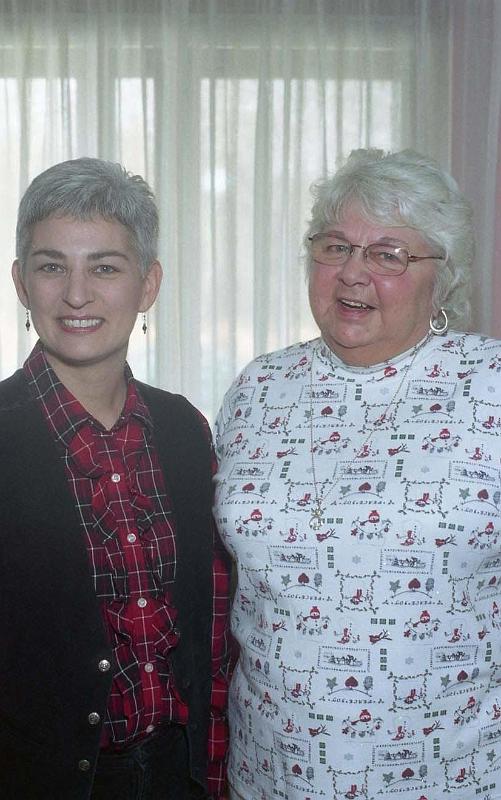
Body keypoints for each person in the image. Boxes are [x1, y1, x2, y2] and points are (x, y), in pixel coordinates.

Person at [214, 149, 501, 800]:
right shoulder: (258, 388)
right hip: (269, 776)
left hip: (453, 781)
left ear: (442, 275)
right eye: (334, 246)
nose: (352, 273)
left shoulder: (491, 386)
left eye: (388, 254)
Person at [0, 157, 232, 800]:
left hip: (176, 774)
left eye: (105, 267)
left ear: (148, 284)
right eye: (52, 267)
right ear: (21, 282)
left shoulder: (184, 429)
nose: (77, 295)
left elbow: (210, 625)